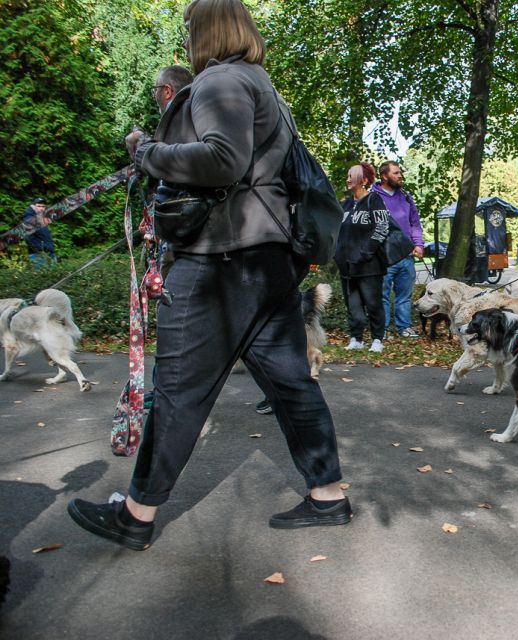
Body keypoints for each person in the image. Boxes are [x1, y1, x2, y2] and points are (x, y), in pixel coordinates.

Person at [68, 0, 350, 551]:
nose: (188, 36)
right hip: (265, 259)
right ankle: (329, 495)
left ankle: (136, 514)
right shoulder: (263, 85)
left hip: (222, 259)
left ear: (208, 31)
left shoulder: (222, 81)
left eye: (191, 27)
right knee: (291, 383)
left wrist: (149, 152)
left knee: (177, 391)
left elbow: (222, 160)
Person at [336, 162, 389, 353]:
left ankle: (377, 339)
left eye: (352, 176)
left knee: (373, 304)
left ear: (364, 180)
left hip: (369, 266)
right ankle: (356, 338)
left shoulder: (374, 200)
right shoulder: (346, 205)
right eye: (348, 176)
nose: (348, 179)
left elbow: (382, 227)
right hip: (347, 267)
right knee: (353, 306)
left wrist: (366, 252)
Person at [372, 161, 424, 338]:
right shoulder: (373, 197)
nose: (400, 176)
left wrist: (418, 244)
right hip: (384, 256)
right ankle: (383, 329)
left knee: (405, 294)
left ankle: (404, 328)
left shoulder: (406, 197)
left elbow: (415, 223)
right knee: (382, 295)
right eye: (395, 173)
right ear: (384, 176)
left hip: (407, 255)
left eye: (400, 172)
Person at [22, 198, 57, 268]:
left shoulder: (41, 218)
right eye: (39, 206)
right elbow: (28, 238)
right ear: (33, 207)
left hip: (49, 253)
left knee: (55, 277)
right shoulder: (29, 218)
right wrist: (42, 249)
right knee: (42, 278)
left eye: (43, 206)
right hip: (38, 256)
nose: (41, 208)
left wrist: (49, 248)